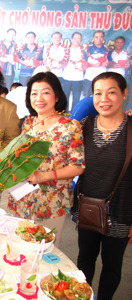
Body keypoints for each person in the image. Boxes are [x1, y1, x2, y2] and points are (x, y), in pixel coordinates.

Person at [72, 72, 132, 300]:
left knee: (112, 265)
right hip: (87, 208)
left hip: (121, 213)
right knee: (84, 260)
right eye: (98, 93)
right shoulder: (84, 126)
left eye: (112, 92)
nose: (104, 98)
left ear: (124, 94)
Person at [7, 71, 85, 247]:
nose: (39, 98)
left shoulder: (70, 127)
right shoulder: (28, 123)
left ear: (56, 96)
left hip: (52, 202)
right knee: (21, 247)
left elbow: (78, 166)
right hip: (22, 198)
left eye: (45, 92)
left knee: (45, 251)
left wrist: (44, 176)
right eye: (34, 93)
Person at [63, 32, 86, 112]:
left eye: (79, 38)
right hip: (67, 76)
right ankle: (64, 113)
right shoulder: (66, 49)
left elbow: (86, 63)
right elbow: (63, 61)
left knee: (76, 97)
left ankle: (74, 114)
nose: (77, 40)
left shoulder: (84, 50)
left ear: (81, 40)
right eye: (75, 38)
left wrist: (83, 67)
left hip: (78, 77)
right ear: (72, 39)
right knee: (65, 96)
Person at [83, 30, 109, 97]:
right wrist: (93, 65)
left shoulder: (107, 49)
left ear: (103, 38)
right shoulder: (88, 48)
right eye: (96, 37)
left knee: (99, 98)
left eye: (101, 37)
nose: (99, 39)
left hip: (102, 79)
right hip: (89, 78)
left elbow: (111, 62)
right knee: (86, 98)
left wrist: (107, 64)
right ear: (93, 38)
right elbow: (83, 63)